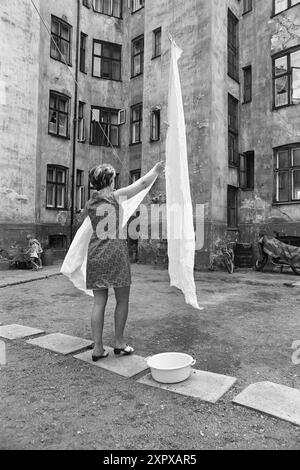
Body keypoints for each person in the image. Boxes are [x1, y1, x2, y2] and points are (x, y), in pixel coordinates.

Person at [86, 161, 164, 362]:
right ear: (109, 180)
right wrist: (156, 169)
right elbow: (142, 184)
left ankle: (98, 348)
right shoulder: (114, 196)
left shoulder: (90, 203)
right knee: (122, 299)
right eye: (113, 178)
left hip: (95, 252)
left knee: (99, 302)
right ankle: (119, 343)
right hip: (115, 251)